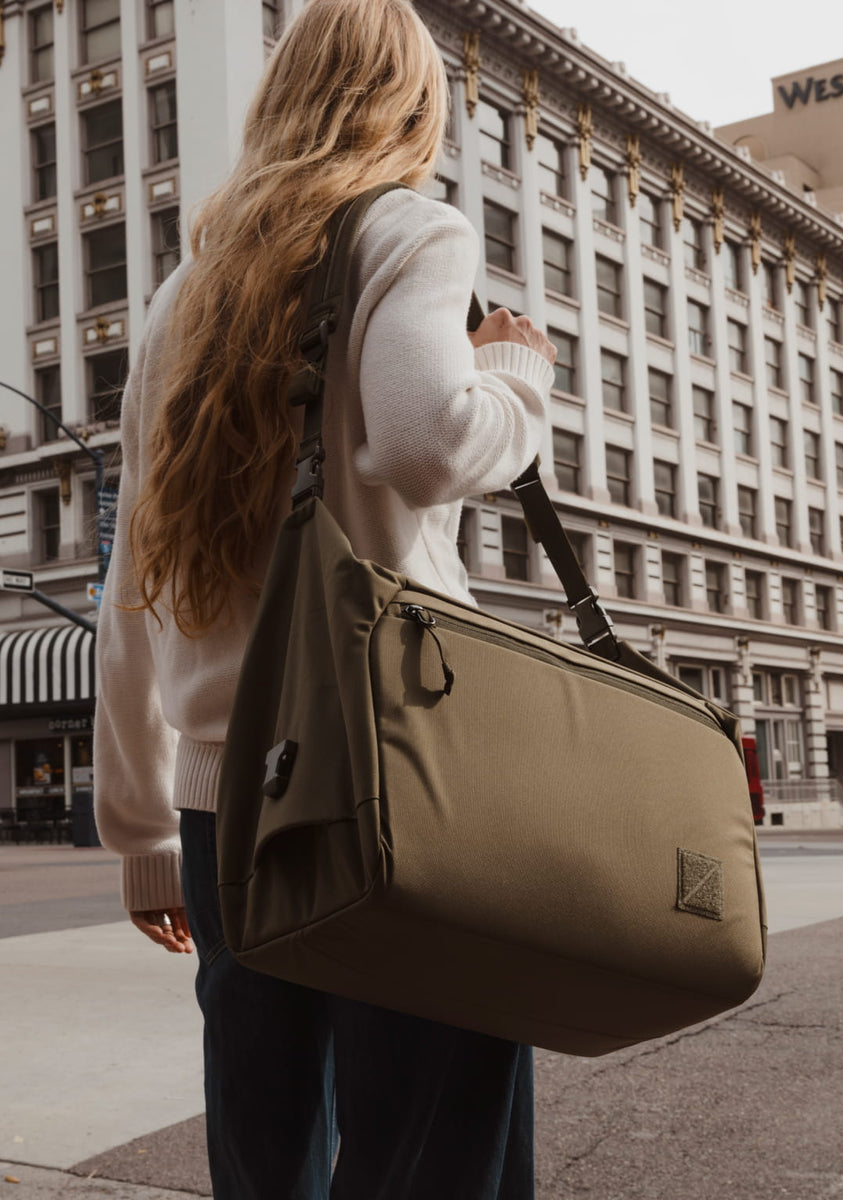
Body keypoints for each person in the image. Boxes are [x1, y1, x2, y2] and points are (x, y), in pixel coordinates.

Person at [93, 1, 556, 1196]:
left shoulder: (180, 298)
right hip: (396, 772)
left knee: (263, 1145)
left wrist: (141, 831)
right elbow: (424, 444)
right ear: (410, 103)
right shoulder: (409, 232)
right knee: (434, 1134)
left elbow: (133, 579)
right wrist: (512, 374)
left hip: (220, 807)